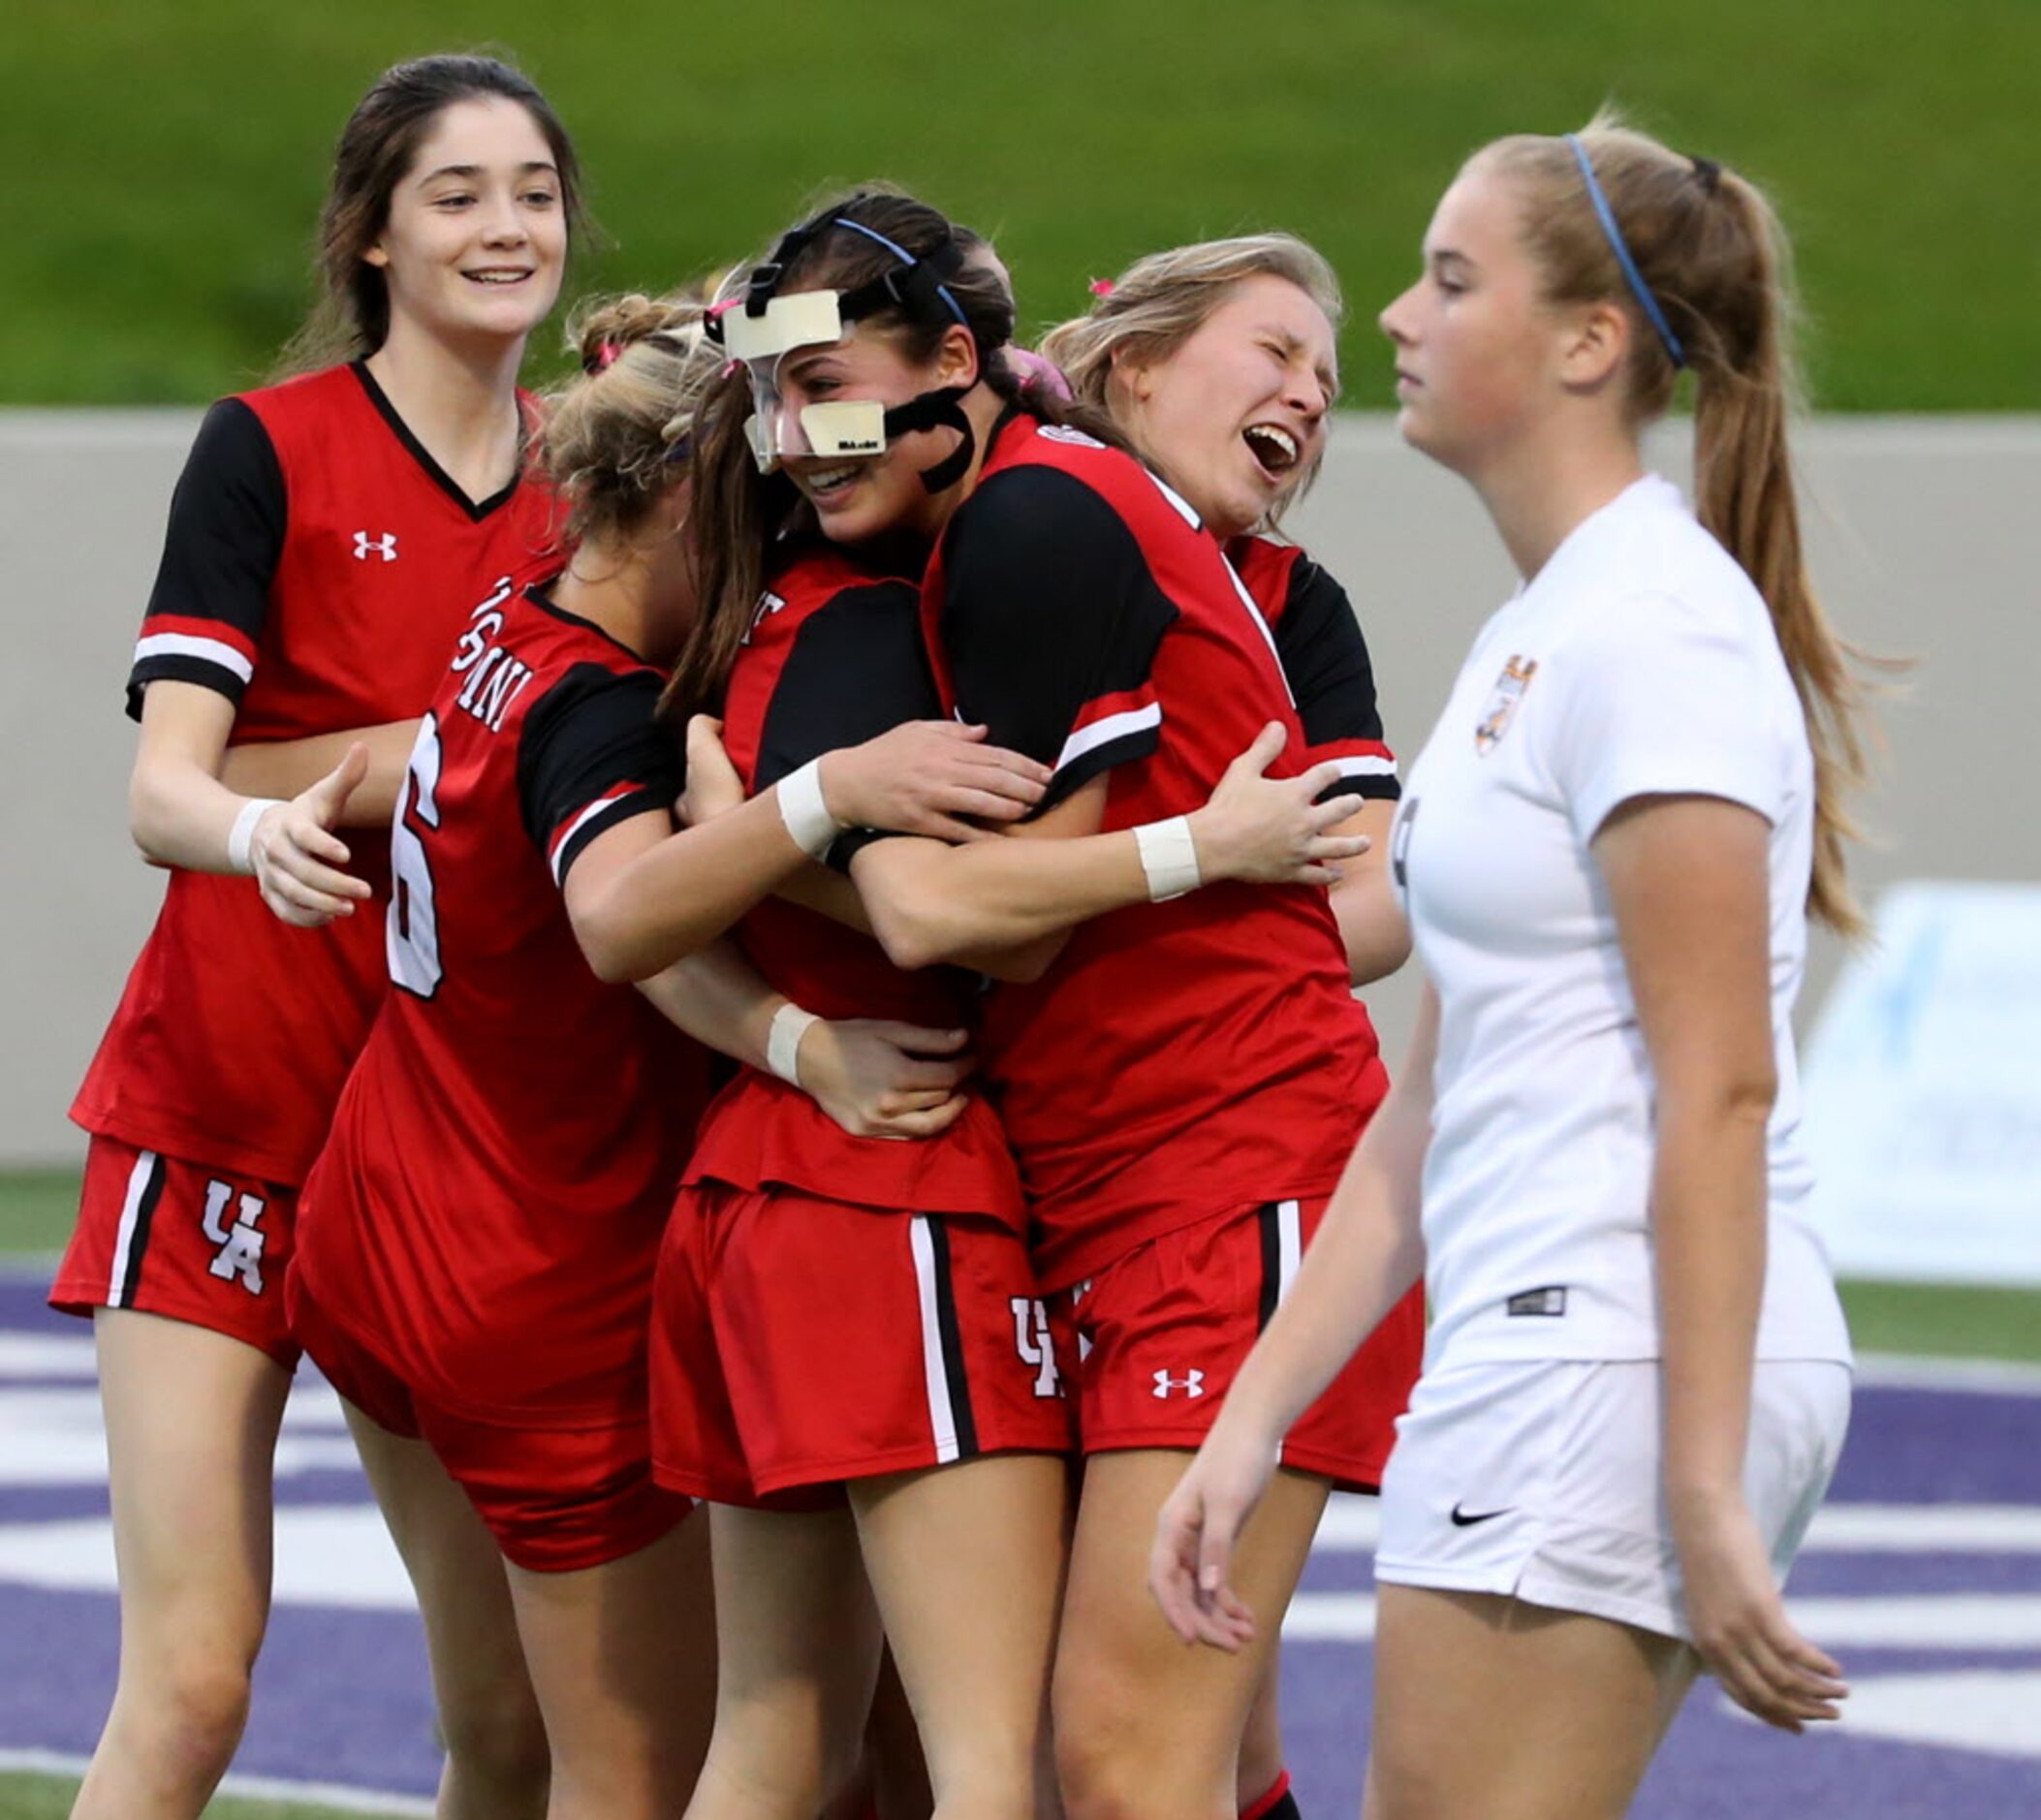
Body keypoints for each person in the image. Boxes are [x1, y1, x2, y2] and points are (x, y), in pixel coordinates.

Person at [1152, 113, 1869, 1820]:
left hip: (1606, 1354)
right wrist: (1251, 1416)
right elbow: (1431, 1088)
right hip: (1564, 1347)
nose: (1395, 316)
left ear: (1585, 343)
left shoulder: (1651, 630)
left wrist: (1694, 1475)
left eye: (1448, 276)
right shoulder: (1548, 625)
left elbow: (1719, 1081)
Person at [677, 187, 1412, 1820]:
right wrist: (772, 842)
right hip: (1118, 1178)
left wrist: (1184, 849)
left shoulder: (1032, 520)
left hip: (1227, 1168)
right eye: (771, 399)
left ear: (957, 357)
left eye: (827, 387)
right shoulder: (966, 531)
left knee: (1124, 1759)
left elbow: (957, 922)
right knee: (1129, 1756)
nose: (796, 438)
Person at [282, 291, 1031, 1820]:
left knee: (499, 1743)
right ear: (691, 499)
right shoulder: (606, 705)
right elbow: (621, 914)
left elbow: (626, 933)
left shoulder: (532, 592)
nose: (796, 547)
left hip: (382, 1210)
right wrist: (817, 794)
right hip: (527, 1273)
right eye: (769, 507)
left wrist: (789, 1035)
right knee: (636, 1776)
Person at [49, 54, 584, 1820]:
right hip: (228, 1120)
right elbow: (163, 790)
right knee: (194, 1683)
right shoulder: (268, 446)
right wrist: (286, 815)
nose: (505, 224)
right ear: (369, 235)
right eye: (458, 192)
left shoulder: (598, 494)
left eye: (531, 189)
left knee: (510, 1719)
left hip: (437, 1167)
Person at [1038, 232, 1428, 1820]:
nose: (1309, 397)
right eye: (1271, 353)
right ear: (1133, 367)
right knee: (1188, 1745)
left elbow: (1380, 905)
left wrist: (1168, 891)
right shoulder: (1001, 543)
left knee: (1126, 1755)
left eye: (1325, 383)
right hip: (1060, 1184)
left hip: (1239, 1173)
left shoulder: (1285, 599)